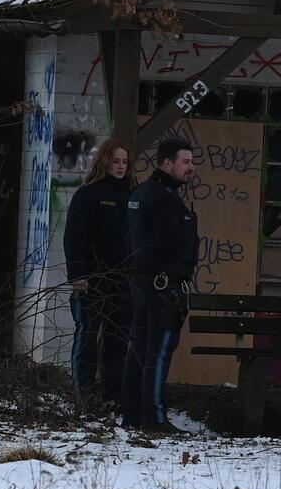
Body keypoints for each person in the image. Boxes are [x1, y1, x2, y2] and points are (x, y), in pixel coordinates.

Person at [122, 137, 200, 433]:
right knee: (159, 351)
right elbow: (166, 244)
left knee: (139, 349)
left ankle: (131, 414)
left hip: (141, 280)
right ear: (167, 163)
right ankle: (153, 417)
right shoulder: (165, 198)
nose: (191, 167)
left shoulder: (140, 192)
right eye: (186, 161)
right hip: (161, 285)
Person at [63, 139, 133, 415]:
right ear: (104, 161)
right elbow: (75, 236)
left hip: (122, 280)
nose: (121, 166)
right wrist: (78, 274)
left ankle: (113, 396)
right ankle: (84, 396)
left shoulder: (130, 195)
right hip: (92, 279)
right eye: (116, 161)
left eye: (124, 162)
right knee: (88, 337)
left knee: (117, 340)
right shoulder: (88, 195)